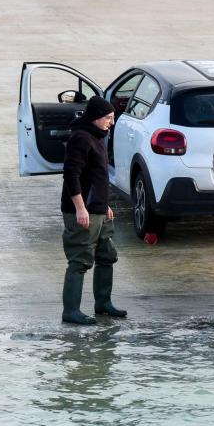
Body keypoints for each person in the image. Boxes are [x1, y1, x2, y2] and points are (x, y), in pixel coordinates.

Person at [60, 95, 127, 325]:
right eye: (108, 117)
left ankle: (103, 304)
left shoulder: (98, 136)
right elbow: (72, 175)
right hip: (83, 211)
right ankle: (71, 312)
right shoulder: (81, 138)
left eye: (113, 117)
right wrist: (80, 208)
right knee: (80, 260)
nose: (112, 122)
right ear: (96, 118)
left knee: (107, 255)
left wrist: (104, 204)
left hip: (98, 209)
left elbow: (96, 176)